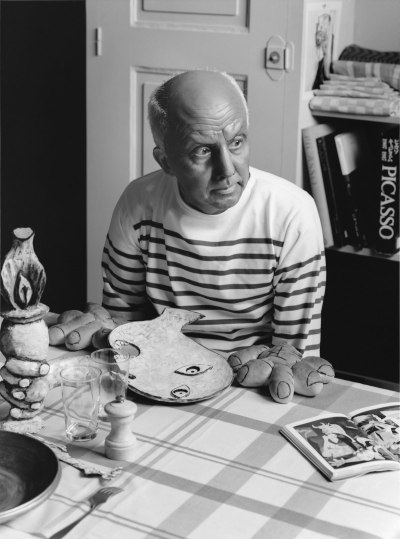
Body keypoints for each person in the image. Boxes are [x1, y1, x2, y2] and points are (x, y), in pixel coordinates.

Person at [101, 69, 326, 358]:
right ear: (165, 161)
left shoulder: (292, 217)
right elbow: (121, 325)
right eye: (203, 151)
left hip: (255, 382)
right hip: (158, 372)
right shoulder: (137, 203)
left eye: (236, 142)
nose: (228, 170)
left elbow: (293, 359)